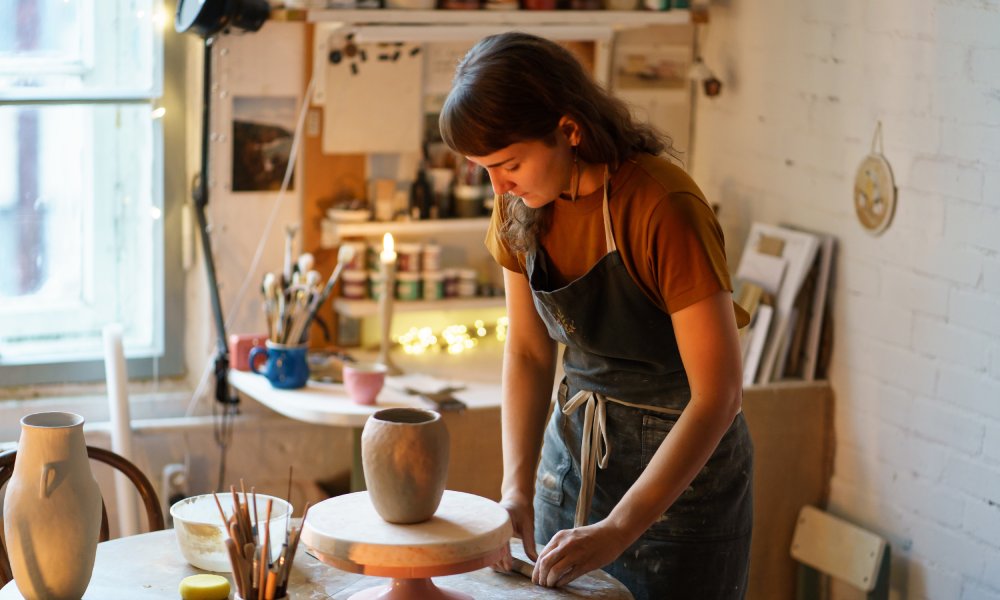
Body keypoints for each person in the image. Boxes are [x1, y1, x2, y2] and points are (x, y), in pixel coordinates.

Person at [439, 32, 754, 600]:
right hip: (574, 456)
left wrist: (618, 530)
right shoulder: (519, 205)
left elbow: (720, 395)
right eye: (482, 169)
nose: (498, 186)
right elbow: (530, 353)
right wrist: (515, 492)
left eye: (509, 164)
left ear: (569, 130)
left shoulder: (663, 206)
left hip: (681, 482)